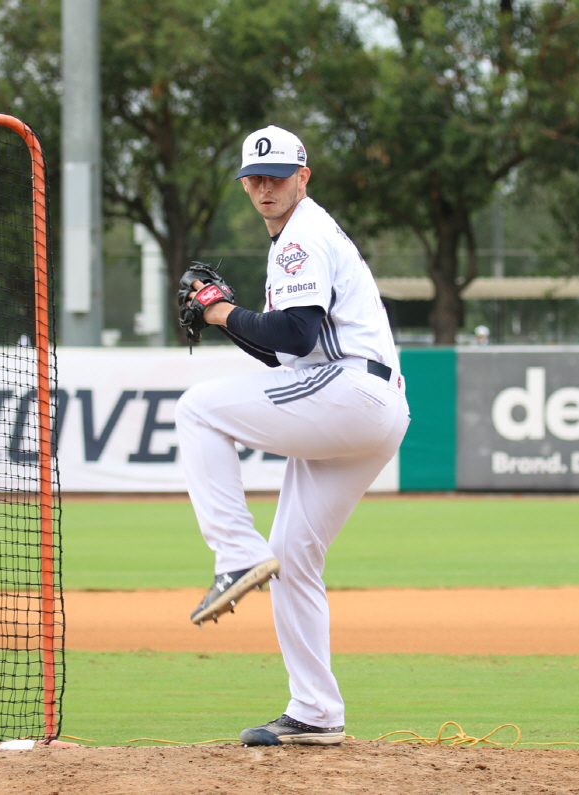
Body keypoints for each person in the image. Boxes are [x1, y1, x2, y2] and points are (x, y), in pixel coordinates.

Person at [174, 125, 410, 746]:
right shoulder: (301, 237)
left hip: (350, 392)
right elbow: (286, 355)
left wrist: (218, 309)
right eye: (254, 177)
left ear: (304, 176)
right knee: (297, 555)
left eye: (277, 174)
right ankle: (316, 712)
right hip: (369, 404)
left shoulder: (302, 235)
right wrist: (222, 313)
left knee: (198, 408)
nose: (264, 186)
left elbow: (300, 333)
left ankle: (235, 555)